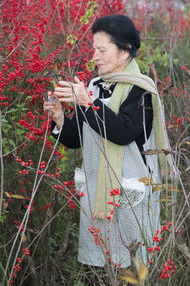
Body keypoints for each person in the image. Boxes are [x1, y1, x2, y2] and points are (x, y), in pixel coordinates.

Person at [43, 14, 172, 268]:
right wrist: (59, 119)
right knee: (97, 271)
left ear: (125, 51)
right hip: (97, 199)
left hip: (129, 200)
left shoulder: (141, 89)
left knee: (132, 271)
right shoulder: (93, 86)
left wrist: (87, 103)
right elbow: (78, 139)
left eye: (101, 50)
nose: (94, 57)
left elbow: (122, 132)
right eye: (94, 49)